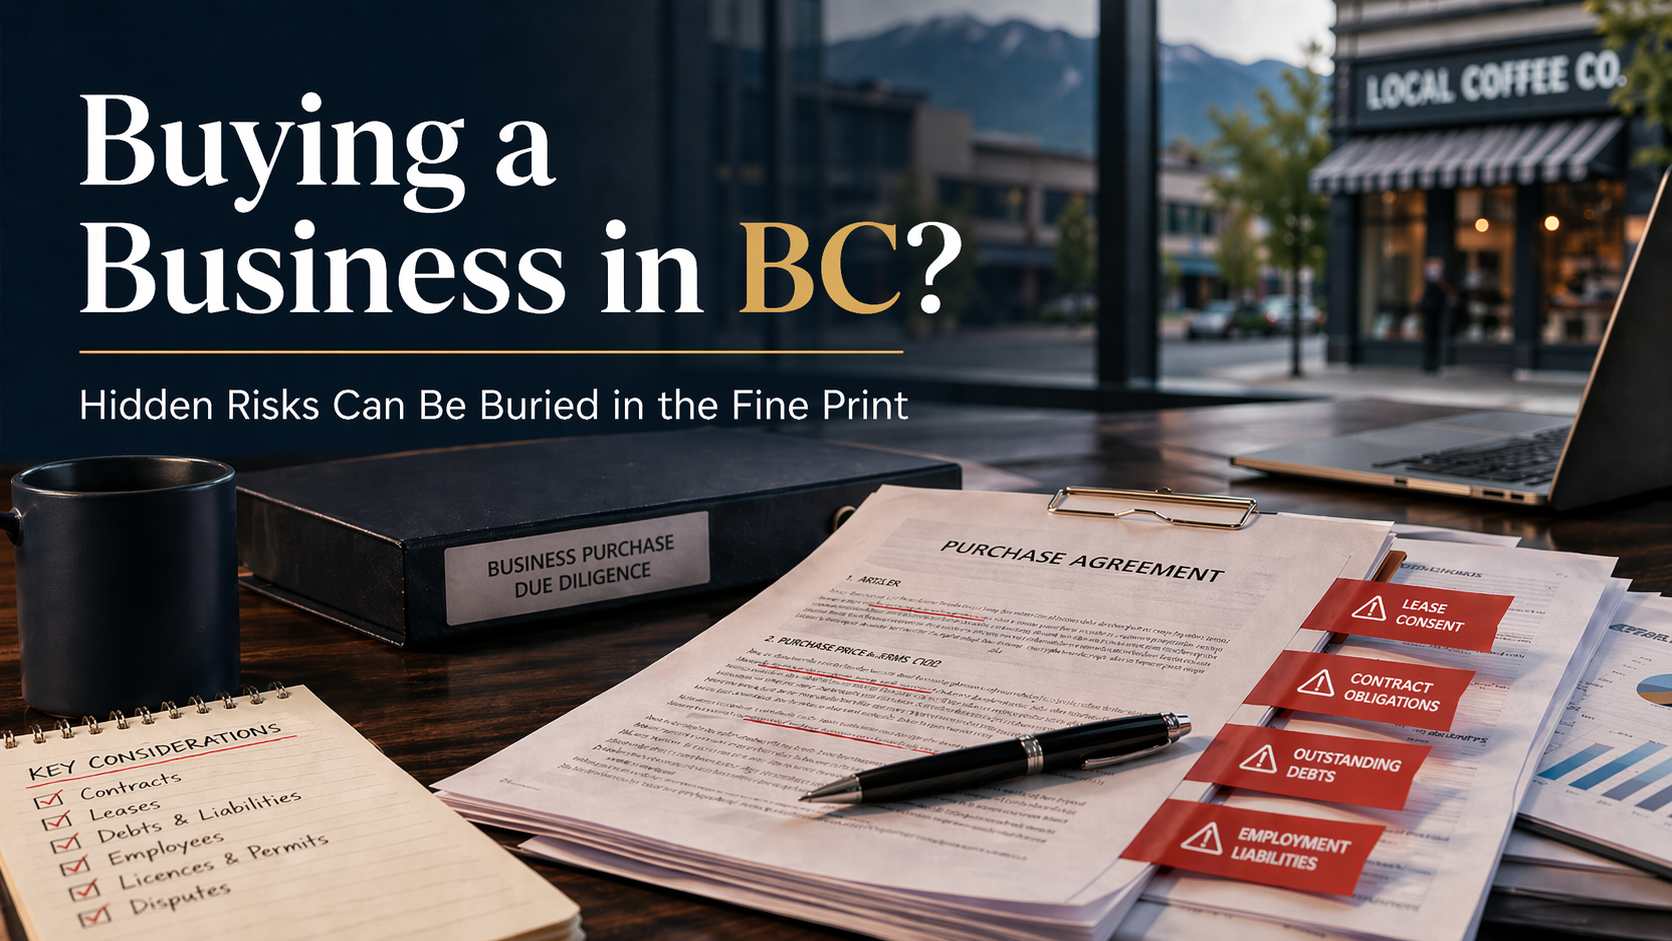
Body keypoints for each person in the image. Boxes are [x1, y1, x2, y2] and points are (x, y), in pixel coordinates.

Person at [1418, 256, 1455, 374]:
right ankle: (1430, 365)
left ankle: (1433, 364)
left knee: (1434, 341)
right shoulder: (1430, 286)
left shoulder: (1441, 286)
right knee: (1430, 341)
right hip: (1431, 318)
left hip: (1437, 318)